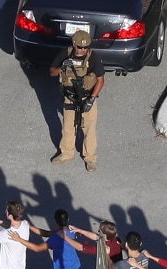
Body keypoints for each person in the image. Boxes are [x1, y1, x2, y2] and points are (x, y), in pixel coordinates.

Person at [49, 30, 105, 172]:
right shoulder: (65, 54)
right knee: (68, 127)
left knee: (89, 128)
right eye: (79, 47)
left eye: (85, 47)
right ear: (74, 44)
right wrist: (62, 66)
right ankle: (67, 153)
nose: (82, 50)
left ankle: (90, 158)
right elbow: (52, 72)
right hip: (70, 97)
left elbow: (100, 80)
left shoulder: (93, 58)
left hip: (87, 97)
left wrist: (91, 99)